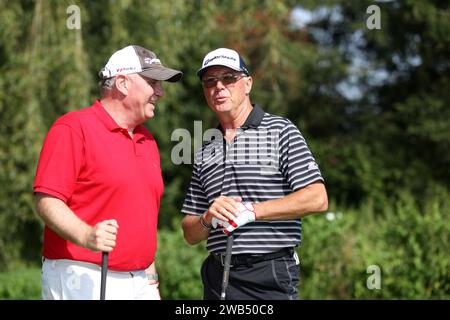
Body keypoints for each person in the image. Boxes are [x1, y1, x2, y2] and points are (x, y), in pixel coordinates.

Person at [34, 45, 182, 300]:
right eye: (152, 82)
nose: (161, 92)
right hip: (81, 274)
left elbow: (141, 220)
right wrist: (86, 235)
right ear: (123, 83)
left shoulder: (148, 141)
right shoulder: (73, 128)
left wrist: (150, 280)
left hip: (140, 281)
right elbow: (46, 200)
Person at [181, 48, 328, 300]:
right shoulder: (205, 148)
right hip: (217, 276)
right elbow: (189, 232)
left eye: (228, 78)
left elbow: (317, 198)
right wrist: (208, 217)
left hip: (268, 273)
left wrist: (252, 211)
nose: (219, 87)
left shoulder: (281, 130)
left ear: (247, 83)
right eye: (210, 81)